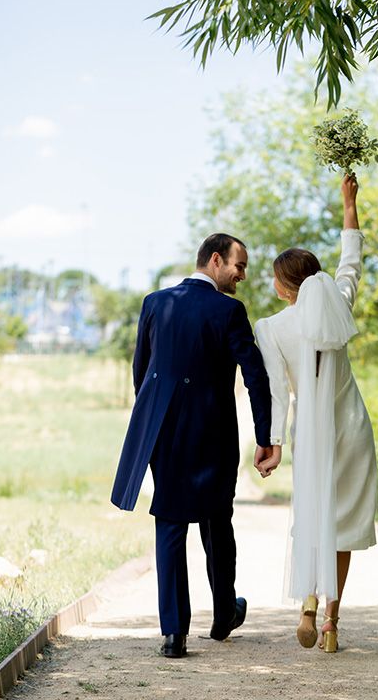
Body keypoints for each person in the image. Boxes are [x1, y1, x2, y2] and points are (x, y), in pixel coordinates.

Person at [111, 233, 274, 658]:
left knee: (169, 521)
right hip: (214, 433)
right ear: (215, 260)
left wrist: (155, 422)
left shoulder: (155, 303)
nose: (241, 276)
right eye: (238, 266)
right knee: (217, 521)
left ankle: (173, 633)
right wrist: (265, 437)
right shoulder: (229, 311)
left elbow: (141, 374)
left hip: (163, 433)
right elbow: (256, 377)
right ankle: (223, 615)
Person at [254, 175, 377, 653]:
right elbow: (351, 261)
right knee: (342, 523)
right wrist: (349, 204)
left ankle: (306, 603)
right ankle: (331, 623)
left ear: (286, 289)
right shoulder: (339, 306)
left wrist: (274, 444)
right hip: (351, 428)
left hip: (312, 434)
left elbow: (277, 396)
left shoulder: (272, 327)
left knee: (312, 517)